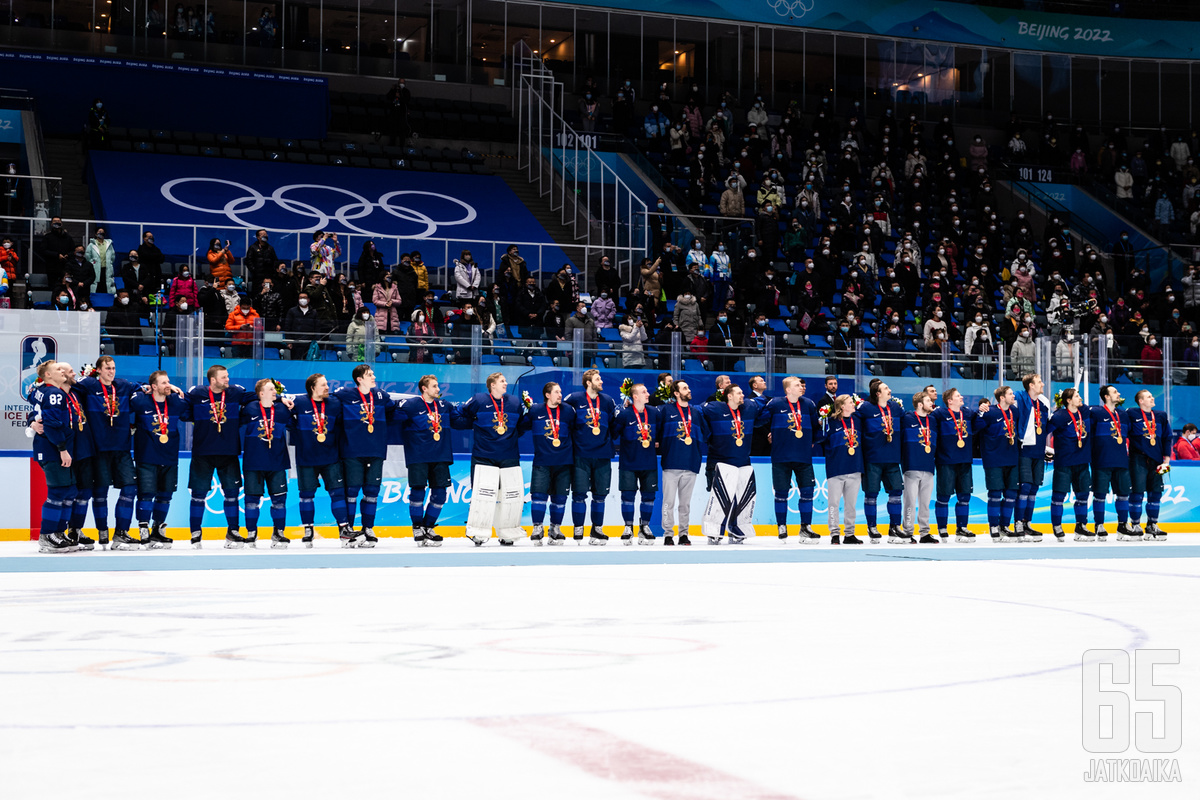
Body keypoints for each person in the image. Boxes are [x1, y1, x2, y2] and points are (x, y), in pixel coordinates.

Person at [76, 357, 144, 550]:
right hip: (99, 449)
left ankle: (121, 533)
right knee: (99, 492)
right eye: (107, 368)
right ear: (98, 370)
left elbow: (143, 389)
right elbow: (65, 391)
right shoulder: (88, 385)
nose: (111, 372)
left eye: (113, 368)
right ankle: (102, 532)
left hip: (122, 448)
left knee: (130, 488)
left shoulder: (122, 385)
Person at [184, 365, 255, 547]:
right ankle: (195, 533)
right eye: (224, 377)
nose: (227, 380)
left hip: (229, 452)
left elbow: (258, 396)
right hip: (203, 453)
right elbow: (181, 406)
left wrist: (280, 397)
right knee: (198, 494)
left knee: (232, 493)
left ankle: (233, 531)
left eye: (228, 376)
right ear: (213, 380)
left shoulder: (235, 393)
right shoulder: (197, 393)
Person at [452, 372, 525, 546]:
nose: (506, 383)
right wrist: (476, 425)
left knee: (510, 496)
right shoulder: (479, 400)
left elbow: (521, 425)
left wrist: (508, 438)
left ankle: (508, 532)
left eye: (505, 380)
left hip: (509, 456)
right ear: (492, 385)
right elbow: (457, 416)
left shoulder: (515, 402)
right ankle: (478, 532)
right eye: (502, 381)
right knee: (482, 495)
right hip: (484, 456)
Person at [335, 364, 398, 548]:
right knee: (352, 493)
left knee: (372, 493)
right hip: (352, 452)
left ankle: (368, 527)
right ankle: (349, 531)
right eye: (370, 375)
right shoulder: (344, 394)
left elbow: (393, 410)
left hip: (376, 451)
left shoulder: (380, 396)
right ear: (359, 379)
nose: (374, 377)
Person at [289, 373, 353, 547]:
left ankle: (343, 528)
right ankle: (308, 530)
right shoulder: (299, 403)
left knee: (337, 493)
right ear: (312, 388)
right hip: (306, 458)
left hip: (330, 457)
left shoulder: (334, 403)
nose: (327, 388)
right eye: (323, 385)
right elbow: (283, 414)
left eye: (327, 385)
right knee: (306, 496)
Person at [130, 370, 190, 549]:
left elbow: (191, 408)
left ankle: (158, 529)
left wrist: (178, 391)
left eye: (169, 382)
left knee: (165, 495)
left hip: (170, 457)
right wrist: (142, 386)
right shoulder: (141, 401)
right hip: (147, 457)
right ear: (154, 386)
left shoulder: (175, 402)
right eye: (164, 383)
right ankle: (143, 529)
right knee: (146, 494)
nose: (168, 385)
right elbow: (124, 390)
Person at [701, 383, 766, 544]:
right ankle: (714, 530)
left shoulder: (749, 407)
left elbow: (767, 407)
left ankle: (737, 528)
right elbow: (695, 412)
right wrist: (708, 436)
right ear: (729, 396)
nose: (743, 395)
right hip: (720, 461)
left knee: (743, 498)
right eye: (739, 393)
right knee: (720, 497)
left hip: (743, 461)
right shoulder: (714, 408)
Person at [394, 376, 456, 546]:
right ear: (424, 388)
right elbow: (391, 414)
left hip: (440, 456)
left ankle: (428, 526)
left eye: (438, 386)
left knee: (440, 495)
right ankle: (417, 527)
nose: (438, 389)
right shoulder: (411, 405)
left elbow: (461, 418)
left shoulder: (444, 406)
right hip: (418, 457)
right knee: (417, 493)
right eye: (434, 386)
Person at [29, 362, 82, 553]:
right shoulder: (54, 393)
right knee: (58, 492)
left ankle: (58, 532)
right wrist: (62, 448)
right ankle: (47, 535)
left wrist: (32, 421)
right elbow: (50, 422)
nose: (63, 372)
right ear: (49, 375)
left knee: (69, 490)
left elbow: (35, 408)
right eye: (59, 370)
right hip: (53, 449)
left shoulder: (41, 390)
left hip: (53, 448)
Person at [764, 376, 821, 542]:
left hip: (803, 456)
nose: (801, 387)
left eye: (801, 385)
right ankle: (781, 525)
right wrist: (770, 435)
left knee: (808, 491)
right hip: (781, 456)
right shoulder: (775, 403)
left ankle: (806, 527)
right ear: (788, 389)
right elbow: (760, 420)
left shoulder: (809, 404)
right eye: (797, 385)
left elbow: (817, 427)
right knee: (781, 493)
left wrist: (813, 440)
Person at [564, 370, 618, 544]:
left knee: (600, 495)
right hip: (581, 454)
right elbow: (564, 420)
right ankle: (578, 528)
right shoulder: (574, 399)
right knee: (579, 494)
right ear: (588, 382)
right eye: (597, 379)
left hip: (602, 454)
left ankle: (597, 529)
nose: (601, 381)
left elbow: (614, 426)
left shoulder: (608, 401)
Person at [519, 382, 576, 545]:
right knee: (538, 496)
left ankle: (555, 528)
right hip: (542, 461)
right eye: (557, 392)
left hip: (564, 462)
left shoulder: (568, 411)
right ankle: (537, 528)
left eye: (560, 391)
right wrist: (525, 410)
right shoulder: (536, 410)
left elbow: (576, 430)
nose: (560, 395)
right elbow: (521, 427)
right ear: (547, 395)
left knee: (560, 498)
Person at [239, 378, 293, 548]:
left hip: (277, 462)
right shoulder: (249, 408)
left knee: (279, 500)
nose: (275, 392)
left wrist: (282, 399)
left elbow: (296, 423)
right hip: (254, 462)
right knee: (251, 501)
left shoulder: (283, 409)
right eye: (271, 389)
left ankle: (279, 533)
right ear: (261, 393)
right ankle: (251, 533)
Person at [855, 380, 906, 542]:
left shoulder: (896, 408)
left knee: (896, 491)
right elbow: (852, 425)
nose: (890, 390)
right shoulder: (865, 408)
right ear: (877, 393)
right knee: (871, 493)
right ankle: (872, 527)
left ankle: (895, 527)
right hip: (872, 459)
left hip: (892, 458)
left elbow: (908, 422)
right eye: (886, 388)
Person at [658, 380, 707, 546]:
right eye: (685, 388)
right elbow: (656, 433)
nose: (689, 389)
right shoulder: (666, 410)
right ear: (676, 393)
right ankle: (668, 535)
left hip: (690, 464)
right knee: (668, 503)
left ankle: (684, 534)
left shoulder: (696, 413)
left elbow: (704, 435)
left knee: (685, 504)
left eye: (688, 386)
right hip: (671, 464)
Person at [931, 388, 982, 542]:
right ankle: (942, 528)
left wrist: (983, 410)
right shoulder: (939, 414)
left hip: (965, 460)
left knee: (965, 496)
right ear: (950, 401)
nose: (962, 397)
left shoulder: (967, 413)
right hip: (946, 461)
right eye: (958, 396)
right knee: (944, 496)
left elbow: (979, 423)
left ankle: (962, 528)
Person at [612, 383, 660, 544]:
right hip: (628, 463)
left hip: (649, 463)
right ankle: (628, 527)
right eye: (644, 392)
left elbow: (659, 433)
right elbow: (613, 434)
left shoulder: (654, 413)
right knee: (627, 496)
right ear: (635, 396)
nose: (648, 394)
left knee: (648, 497)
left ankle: (644, 527)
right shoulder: (624, 415)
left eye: (647, 391)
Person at [976, 386, 1022, 542]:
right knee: (995, 495)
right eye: (1010, 393)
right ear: (1002, 397)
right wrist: (980, 411)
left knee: (1010, 495)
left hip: (1012, 458)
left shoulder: (1014, 412)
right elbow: (975, 428)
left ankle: (1004, 526)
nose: (1013, 395)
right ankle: (994, 526)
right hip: (993, 459)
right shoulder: (990, 412)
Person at [1011, 373, 1053, 541]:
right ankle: (1018, 523)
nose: (1042, 384)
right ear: (1031, 386)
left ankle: (1027, 522)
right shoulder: (1019, 399)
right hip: (1024, 450)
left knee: (1034, 488)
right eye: (1039, 382)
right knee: (1025, 487)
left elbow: (1047, 425)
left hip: (1038, 451)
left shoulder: (1044, 403)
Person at [1046, 388, 1092, 541]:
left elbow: (1083, 407)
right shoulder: (1059, 416)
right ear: (1068, 400)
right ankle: (1057, 525)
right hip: (1064, 462)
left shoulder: (1084, 412)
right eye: (1077, 396)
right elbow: (1044, 431)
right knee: (1059, 496)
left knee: (1083, 495)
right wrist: (1044, 450)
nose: (1080, 398)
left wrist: (1075, 395)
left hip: (1082, 461)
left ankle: (1081, 526)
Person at [1126, 389, 1171, 541]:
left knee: (1155, 493)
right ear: (1140, 401)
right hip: (1138, 458)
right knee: (1137, 493)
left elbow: (1167, 437)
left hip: (1157, 460)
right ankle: (1136, 525)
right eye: (1148, 397)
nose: (1152, 398)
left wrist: (1167, 459)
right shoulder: (1132, 413)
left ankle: (1152, 525)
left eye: (1152, 396)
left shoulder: (1161, 416)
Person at [1088, 385, 1132, 541]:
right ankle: (1099, 525)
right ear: (1106, 397)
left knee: (1123, 495)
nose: (1118, 393)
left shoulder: (1123, 415)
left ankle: (1122, 525)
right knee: (1100, 495)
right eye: (1115, 392)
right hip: (1101, 460)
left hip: (1121, 460)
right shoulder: (1096, 413)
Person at [822, 394, 864, 544]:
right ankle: (834, 533)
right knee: (833, 503)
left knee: (851, 504)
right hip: (836, 468)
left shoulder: (858, 420)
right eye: (850, 403)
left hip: (855, 467)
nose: (853, 405)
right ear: (841, 406)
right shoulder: (830, 422)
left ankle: (849, 534)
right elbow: (819, 438)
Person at [900, 390, 939, 544]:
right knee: (910, 501)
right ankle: (908, 532)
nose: (932, 403)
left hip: (929, 466)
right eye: (929, 401)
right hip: (911, 466)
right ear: (920, 404)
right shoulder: (907, 418)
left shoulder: (933, 420)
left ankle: (925, 533)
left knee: (925, 503)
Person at [84, 227, 115, 295]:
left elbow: (112, 256)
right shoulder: (91, 245)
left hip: (106, 268)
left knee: (106, 284)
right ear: (96, 234)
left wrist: (109, 263)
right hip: (95, 268)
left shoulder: (109, 244)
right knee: (96, 284)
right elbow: (88, 256)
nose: (101, 233)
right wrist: (93, 263)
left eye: (102, 232)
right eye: (99, 232)